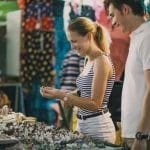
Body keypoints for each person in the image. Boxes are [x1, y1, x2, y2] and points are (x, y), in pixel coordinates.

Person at [40, 17, 116, 143]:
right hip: (82, 124)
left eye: (74, 41)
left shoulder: (101, 61)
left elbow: (95, 104)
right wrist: (59, 93)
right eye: (70, 42)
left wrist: (63, 96)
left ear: (89, 36)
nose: (72, 46)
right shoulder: (88, 59)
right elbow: (83, 92)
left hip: (98, 129)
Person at [104, 0, 150, 150]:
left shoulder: (147, 37)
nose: (112, 22)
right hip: (135, 134)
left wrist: (141, 135)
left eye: (112, 15)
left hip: (143, 137)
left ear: (125, 9)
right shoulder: (138, 36)